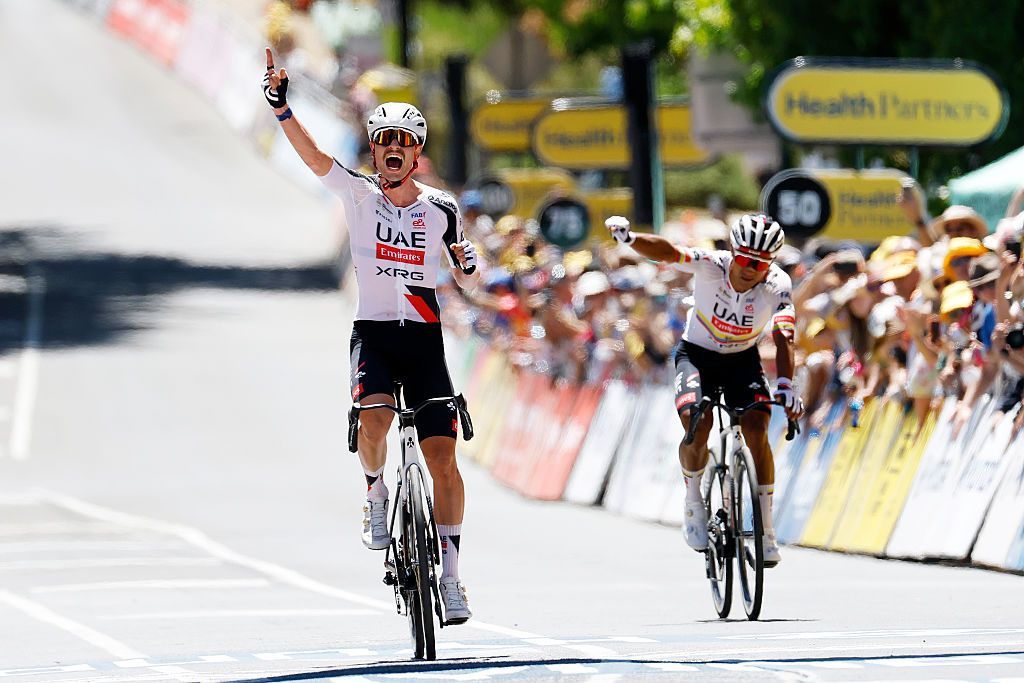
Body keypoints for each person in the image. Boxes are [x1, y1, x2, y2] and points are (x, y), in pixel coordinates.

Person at [263, 49, 480, 623]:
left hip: (425, 338)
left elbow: (462, 265)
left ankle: (454, 580)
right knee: (375, 416)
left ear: (416, 153)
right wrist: (283, 109)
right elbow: (314, 160)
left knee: (444, 462)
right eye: (382, 139)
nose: (390, 148)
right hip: (375, 335)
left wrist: (469, 262)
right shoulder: (358, 193)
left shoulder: (441, 209)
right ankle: (376, 494)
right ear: (375, 147)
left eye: (401, 142)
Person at [605, 214, 803, 567]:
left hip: (742, 360)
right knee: (697, 423)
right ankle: (694, 501)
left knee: (758, 429)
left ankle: (767, 527)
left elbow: (784, 335)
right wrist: (631, 238)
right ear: (732, 252)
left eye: (759, 264)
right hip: (697, 356)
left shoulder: (777, 284)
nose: (749, 269)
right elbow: (669, 252)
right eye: (743, 259)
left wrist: (787, 385)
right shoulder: (712, 265)